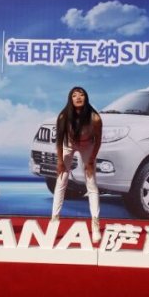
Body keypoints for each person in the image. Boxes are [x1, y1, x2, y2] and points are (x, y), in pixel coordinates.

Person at [51, 86, 102, 244]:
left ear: (86, 98)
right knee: (61, 179)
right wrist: (60, 161)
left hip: (88, 145)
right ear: (70, 99)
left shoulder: (95, 118)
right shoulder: (63, 117)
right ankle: (54, 220)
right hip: (69, 144)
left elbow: (98, 141)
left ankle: (95, 224)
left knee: (91, 183)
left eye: (81, 95)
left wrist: (91, 161)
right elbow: (59, 140)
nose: (78, 97)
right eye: (74, 95)